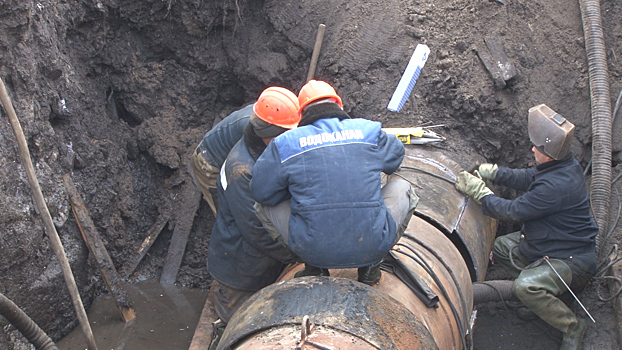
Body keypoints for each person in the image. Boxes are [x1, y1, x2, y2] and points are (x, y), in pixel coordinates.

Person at [455, 104, 598, 350]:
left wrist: (481, 193)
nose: (532, 148)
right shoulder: (562, 166)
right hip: (552, 243)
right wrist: (496, 173)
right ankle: (538, 302)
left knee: (525, 286)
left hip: (572, 260)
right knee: (502, 246)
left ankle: (571, 325)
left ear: (549, 152)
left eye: (538, 147)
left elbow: (513, 211)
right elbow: (528, 177)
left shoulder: (554, 188)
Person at [251, 80, 418, 286]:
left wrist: (293, 194)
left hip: (314, 250)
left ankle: (314, 268)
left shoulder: (286, 143)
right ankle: (371, 266)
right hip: (371, 244)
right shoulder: (367, 131)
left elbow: (261, 192)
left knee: (264, 206)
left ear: (301, 114)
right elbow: (395, 158)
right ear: (339, 105)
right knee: (403, 188)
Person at [206, 87, 301, 350]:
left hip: (254, 261)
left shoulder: (262, 150)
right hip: (241, 271)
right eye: (286, 134)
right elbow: (258, 231)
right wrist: (298, 255)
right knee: (235, 330)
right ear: (269, 134)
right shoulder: (243, 170)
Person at [191, 104, 254, 216]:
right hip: (209, 163)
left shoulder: (279, 113)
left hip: (228, 153)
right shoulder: (253, 128)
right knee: (227, 217)